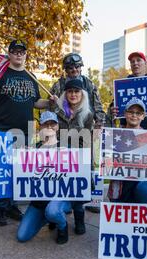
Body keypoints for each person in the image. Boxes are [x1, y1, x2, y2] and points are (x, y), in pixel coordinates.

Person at [0, 39, 55, 227]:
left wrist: (50, 102)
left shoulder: (31, 77)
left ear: (25, 54)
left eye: (22, 51)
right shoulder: (0, 74)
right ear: (9, 53)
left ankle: (11, 206)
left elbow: (36, 102)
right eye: (14, 51)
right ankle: (0, 208)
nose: (18, 54)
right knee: (1, 170)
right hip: (2, 129)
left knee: (17, 170)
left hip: (25, 131)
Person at [17, 111, 72, 244]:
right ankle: (48, 217)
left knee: (52, 211)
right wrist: (21, 157)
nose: (49, 127)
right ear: (40, 127)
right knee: (22, 236)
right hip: (39, 200)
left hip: (59, 197)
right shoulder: (33, 149)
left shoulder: (67, 148)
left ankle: (62, 226)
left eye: (52, 123)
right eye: (45, 124)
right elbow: (24, 175)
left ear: (57, 126)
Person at [51, 78, 94, 235]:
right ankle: (54, 218)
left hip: (78, 158)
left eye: (76, 91)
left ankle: (79, 218)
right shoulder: (58, 111)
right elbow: (50, 135)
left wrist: (71, 151)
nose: (73, 94)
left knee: (77, 189)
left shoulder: (87, 115)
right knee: (57, 186)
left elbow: (86, 141)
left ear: (82, 94)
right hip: (59, 158)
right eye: (70, 91)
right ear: (65, 93)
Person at [108, 98, 147, 203]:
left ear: (143, 116)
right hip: (121, 184)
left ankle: (146, 214)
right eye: (131, 112)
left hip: (143, 183)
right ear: (125, 114)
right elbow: (104, 160)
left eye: (138, 113)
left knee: (144, 188)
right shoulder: (114, 135)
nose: (134, 115)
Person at [50, 53, 106, 126]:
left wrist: (99, 124)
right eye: (71, 68)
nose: (74, 70)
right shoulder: (58, 85)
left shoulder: (89, 84)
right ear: (66, 70)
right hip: (63, 127)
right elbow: (50, 108)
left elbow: (98, 108)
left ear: (80, 68)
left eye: (77, 67)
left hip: (85, 125)